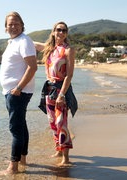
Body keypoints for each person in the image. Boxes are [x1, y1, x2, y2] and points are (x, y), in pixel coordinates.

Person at [0, 11, 37, 175]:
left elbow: (33, 67)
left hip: (18, 93)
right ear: (5, 28)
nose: (13, 26)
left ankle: (13, 167)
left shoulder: (24, 41)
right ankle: (22, 159)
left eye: (16, 23)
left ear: (22, 25)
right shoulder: (13, 42)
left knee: (15, 128)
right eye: (10, 24)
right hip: (13, 91)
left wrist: (19, 88)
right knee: (21, 125)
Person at [34, 21, 77, 166]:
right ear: (53, 32)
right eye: (58, 29)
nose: (61, 32)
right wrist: (13, 40)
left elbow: (69, 75)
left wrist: (62, 95)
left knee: (61, 123)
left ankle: (66, 159)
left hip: (60, 90)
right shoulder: (50, 48)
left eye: (64, 30)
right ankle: (58, 149)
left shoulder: (68, 49)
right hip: (49, 89)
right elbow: (33, 44)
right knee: (52, 122)